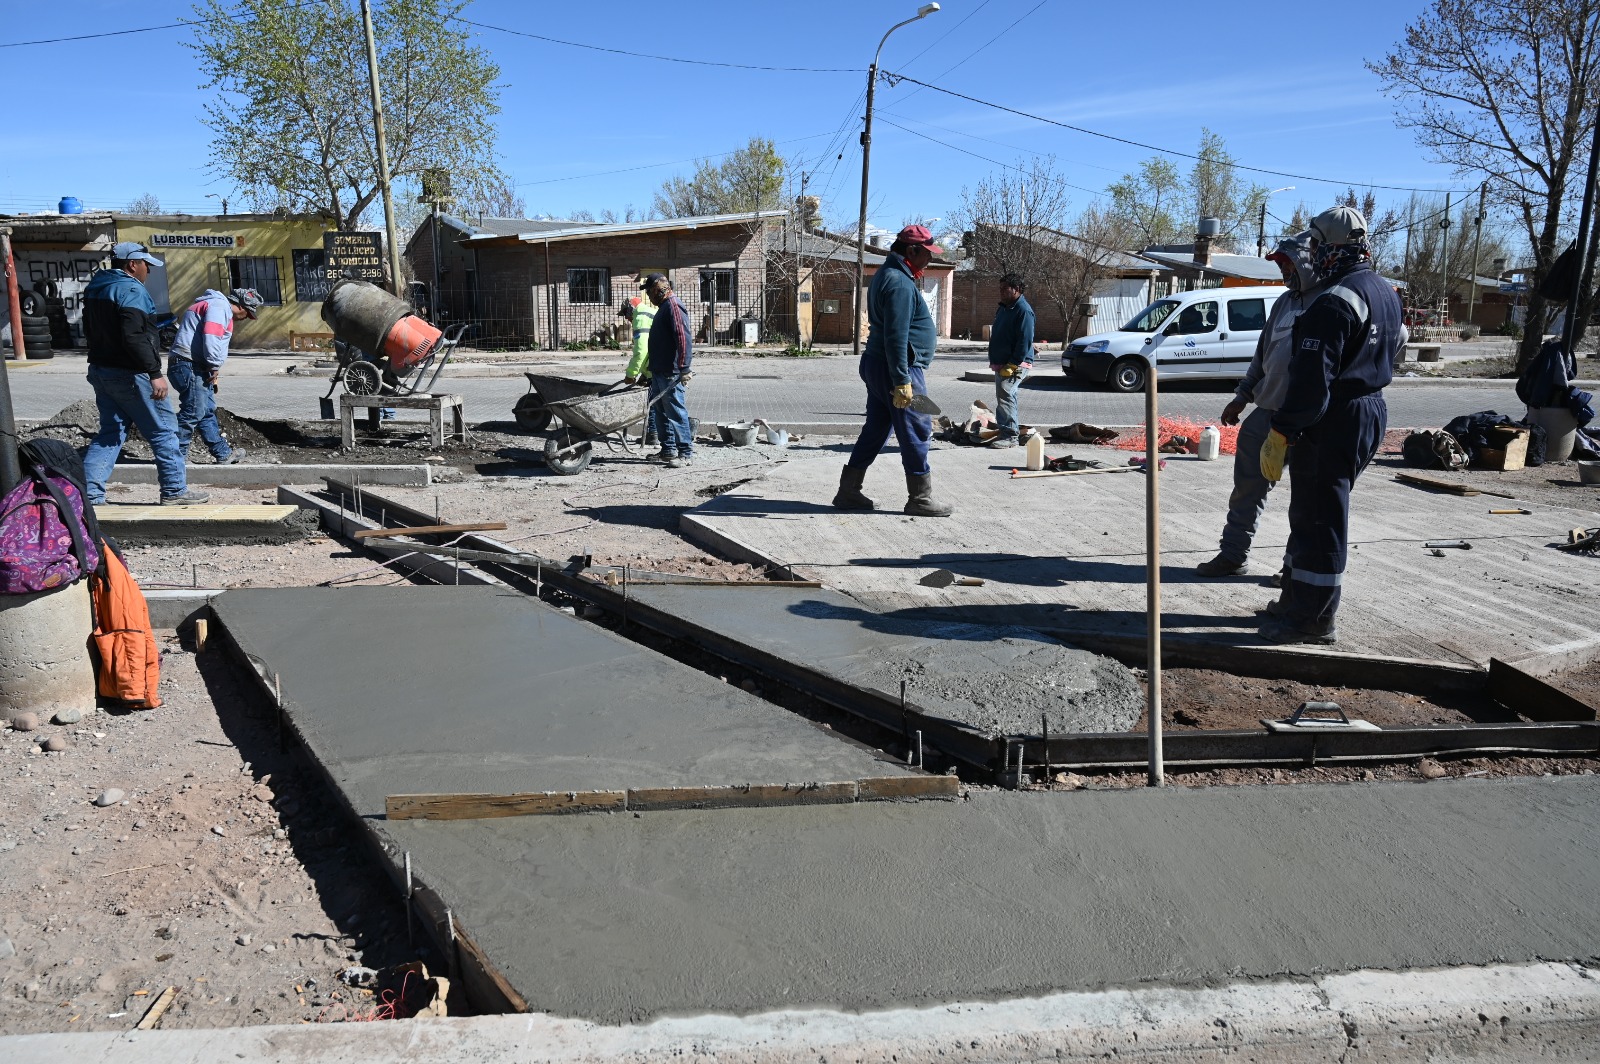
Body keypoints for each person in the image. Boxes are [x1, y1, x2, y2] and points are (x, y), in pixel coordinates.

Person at [1258, 206, 1402, 644]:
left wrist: (1282, 428)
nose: (1313, 255)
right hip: (1367, 411)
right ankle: (1295, 601)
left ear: (1331, 248)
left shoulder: (1335, 301)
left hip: (1335, 417)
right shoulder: (1383, 290)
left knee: (1320, 519)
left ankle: (1314, 619)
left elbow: (1311, 382)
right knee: (1311, 513)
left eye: (1317, 246)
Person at [1194, 233, 1320, 579]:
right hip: (1267, 413)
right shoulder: (1284, 303)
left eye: (1288, 263)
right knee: (1247, 490)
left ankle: (1294, 568)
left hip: (1310, 420)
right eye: (1280, 264)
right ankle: (1233, 555)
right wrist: (1242, 396)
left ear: (1307, 263)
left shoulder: (1329, 302)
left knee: (1308, 500)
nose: (1283, 270)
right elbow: (1263, 354)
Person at [831, 224, 952, 517]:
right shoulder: (899, 282)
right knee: (917, 428)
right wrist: (902, 380)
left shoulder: (889, 274)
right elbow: (896, 336)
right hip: (898, 368)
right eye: (927, 253)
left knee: (876, 429)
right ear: (911, 250)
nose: (930, 259)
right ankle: (920, 498)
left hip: (878, 364)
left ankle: (848, 491)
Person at [81, 242, 209, 506]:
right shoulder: (131, 290)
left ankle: (89, 495)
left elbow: (92, 330)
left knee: (111, 432)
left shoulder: (97, 287)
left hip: (101, 370)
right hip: (133, 374)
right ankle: (174, 490)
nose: (148, 271)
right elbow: (134, 336)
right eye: (146, 265)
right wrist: (154, 373)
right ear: (132, 264)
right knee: (164, 431)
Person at [168, 287, 264, 464]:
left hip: (192, 364)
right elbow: (211, 337)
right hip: (189, 364)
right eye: (248, 313)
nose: (246, 318)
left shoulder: (215, 306)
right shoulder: (219, 307)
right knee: (193, 412)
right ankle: (174, 459)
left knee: (205, 411)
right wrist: (213, 365)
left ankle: (222, 453)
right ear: (241, 306)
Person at [643, 273, 694, 468]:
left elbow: (683, 337)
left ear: (658, 290)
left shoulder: (673, 306)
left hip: (670, 372)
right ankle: (668, 450)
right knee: (660, 411)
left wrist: (684, 367)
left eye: (649, 292)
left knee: (675, 411)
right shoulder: (664, 307)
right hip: (659, 370)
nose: (649, 297)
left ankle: (685, 454)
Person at [986, 273, 1035, 447]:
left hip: (1015, 363)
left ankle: (1010, 436)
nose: (1001, 291)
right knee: (1006, 397)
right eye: (1000, 288)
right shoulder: (1005, 308)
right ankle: (1009, 432)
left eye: (1005, 288)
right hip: (1003, 362)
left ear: (1017, 289)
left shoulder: (1023, 310)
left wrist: (1013, 363)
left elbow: (1024, 340)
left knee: (1005, 395)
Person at [620, 276, 660, 446]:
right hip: (658, 363)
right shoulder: (649, 312)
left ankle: (653, 434)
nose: (626, 319)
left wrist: (631, 374)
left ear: (630, 309)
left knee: (652, 402)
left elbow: (641, 351)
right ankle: (655, 434)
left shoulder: (640, 316)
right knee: (657, 402)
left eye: (625, 314)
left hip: (656, 367)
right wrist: (643, 373)